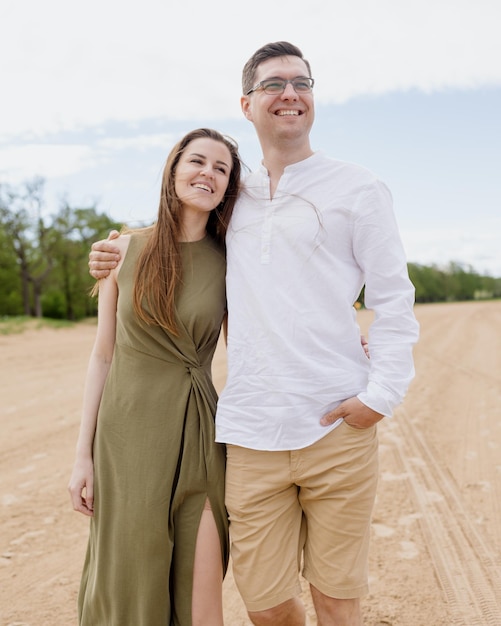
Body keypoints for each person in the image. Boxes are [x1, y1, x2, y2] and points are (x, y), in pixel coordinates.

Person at [88, 42, 419, 626]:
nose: (289, 93)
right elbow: (177, 236)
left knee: (338, 602)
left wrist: (379, 396)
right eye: (273, 84)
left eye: (301, 82)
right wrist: (114, 251)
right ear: (247, 103)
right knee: (265, 606)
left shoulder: (358, 188)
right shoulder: (232, 200)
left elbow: (393, 297)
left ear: (312, 98)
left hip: (336, 427)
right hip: (249, 434)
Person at [69, 128, 242, 626]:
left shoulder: (233, 261)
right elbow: (102, 355)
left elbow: (257, 346)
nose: (207, 173)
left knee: (200, 593)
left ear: (228, 188)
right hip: (126, 438)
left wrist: (345, 346)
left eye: (221, 168)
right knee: (131, 582)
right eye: (197, 161)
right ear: (173, 170)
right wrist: (83, 455)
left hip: (199, 433)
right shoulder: (122, 249)